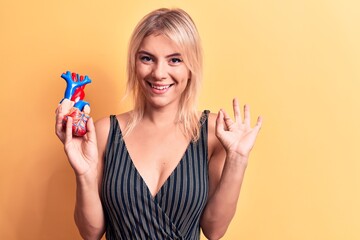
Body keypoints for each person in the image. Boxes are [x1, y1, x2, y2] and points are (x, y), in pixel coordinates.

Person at [55, 8, 262, 240]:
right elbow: (90, 232)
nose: (159, 73)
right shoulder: (104, 132)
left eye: (175, 60)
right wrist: (83, 173)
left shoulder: (215, 133)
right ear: (134, 62)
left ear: (191, 66)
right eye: (147, 58)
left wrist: (238, 159)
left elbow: (214, 230)